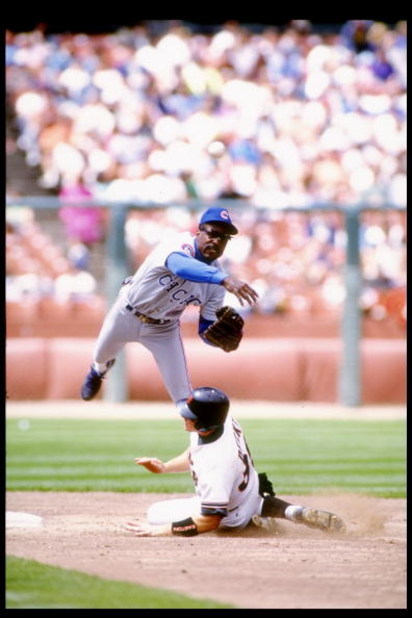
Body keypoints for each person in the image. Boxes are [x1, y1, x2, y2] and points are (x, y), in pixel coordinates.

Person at [80, 207, 259, 403]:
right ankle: (98, 370)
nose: (217, 240)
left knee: (183, 396)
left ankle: (198, 429)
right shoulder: (179, 244)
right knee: (101, 355)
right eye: (213, 233)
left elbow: (206, 329)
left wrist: (220, 341)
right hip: (127, 312)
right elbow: (180, 266)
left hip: (163, 329)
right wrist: (224, 279)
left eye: (224, 238)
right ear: (198, 232)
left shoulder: (217, 285)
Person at [125, 386, 346, 537]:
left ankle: (251, 522)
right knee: (242, 497)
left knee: (155, 514)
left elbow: (209, 521)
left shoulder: (215, 464)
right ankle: (289, 511)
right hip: (252, 489)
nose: (184, 416)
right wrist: (164, 467)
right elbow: (195, 450)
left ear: (205, 423)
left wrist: (160, 530)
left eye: (190, 416)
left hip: (231, 513)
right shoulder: (224, 421)